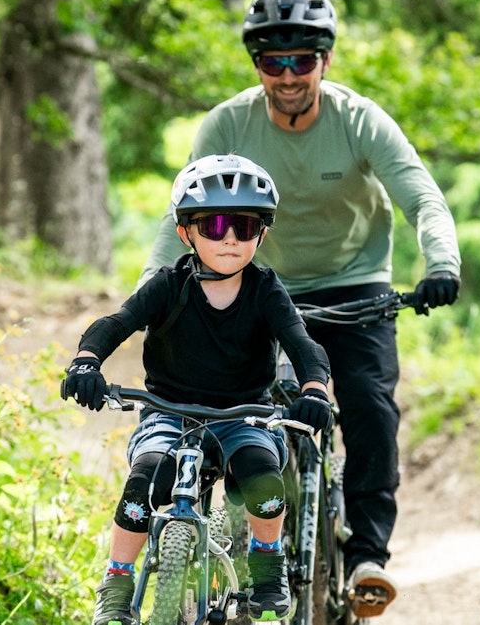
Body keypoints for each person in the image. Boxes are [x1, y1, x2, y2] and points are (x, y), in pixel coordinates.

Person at [140, 0, 462, 617]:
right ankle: (215, 542)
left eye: (303, 59)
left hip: (355, 288)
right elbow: (174, 218)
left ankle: (367, 554)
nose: (288, 74)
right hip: (259, 285)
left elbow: (422, 196)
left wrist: (441, 262)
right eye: (272, 60)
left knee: (368, 403)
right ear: (256, 63)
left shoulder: (358, 120)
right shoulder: (229, 124)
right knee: (225, 400)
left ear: (326, 60)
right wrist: (152, 289)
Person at [62, 154, 334, 625]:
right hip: (170, 413)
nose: (229, 237)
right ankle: (118, 579)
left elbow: (303, 345)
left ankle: (267, 561)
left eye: (244, 226)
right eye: (213, 225)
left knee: (261, 472)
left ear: (261, 234)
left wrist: (314, 388)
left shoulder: (266, 290)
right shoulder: (168, 285)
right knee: (144, 480)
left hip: (245, 415)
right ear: (186, 232)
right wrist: (87, 360)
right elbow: (115, 324)